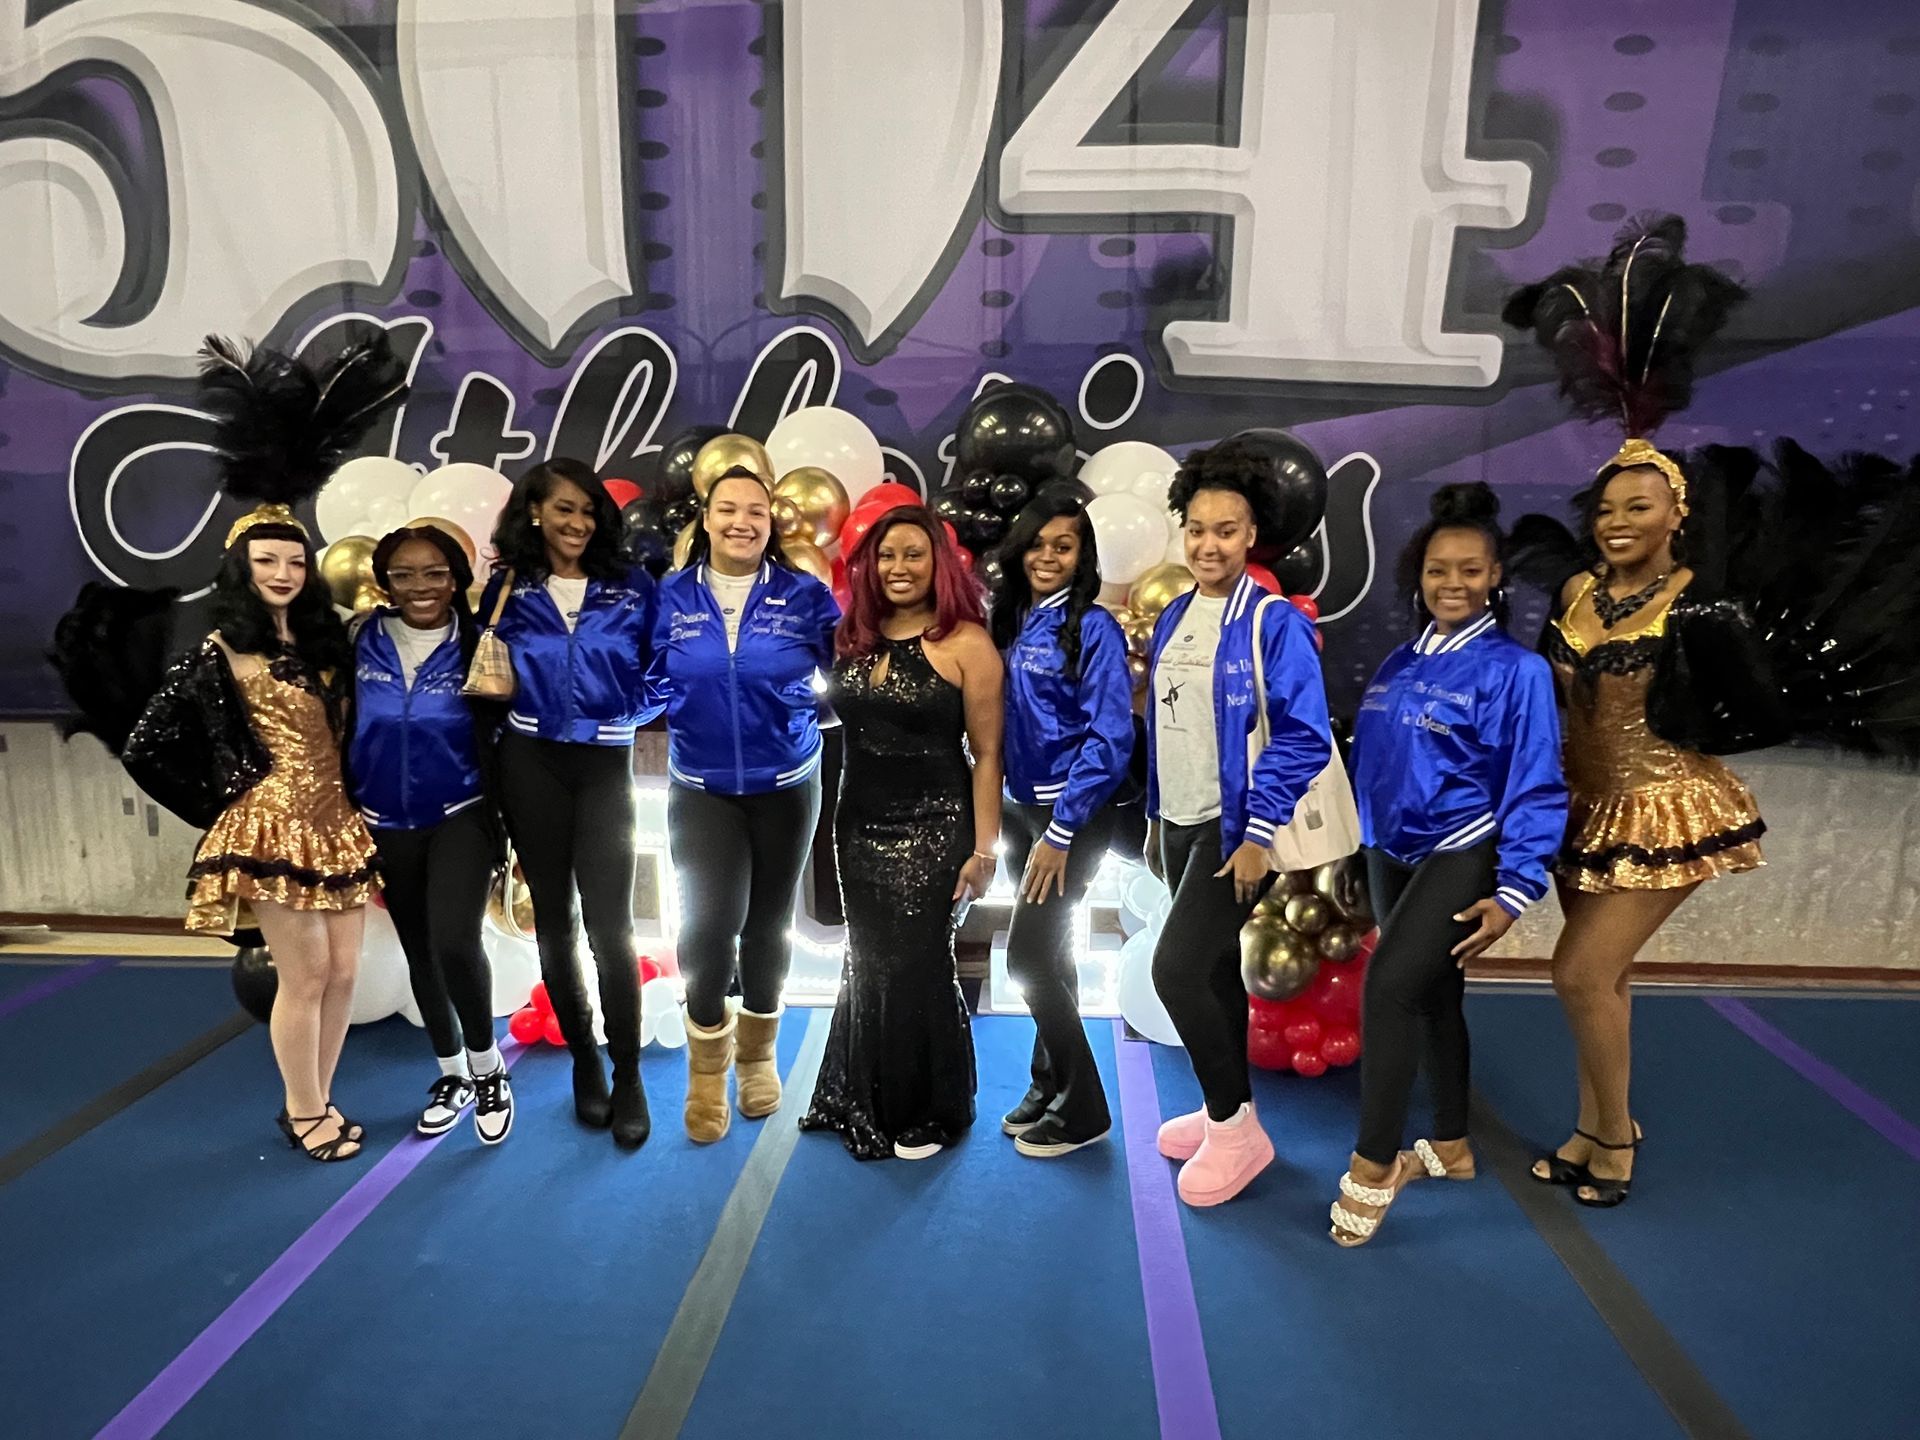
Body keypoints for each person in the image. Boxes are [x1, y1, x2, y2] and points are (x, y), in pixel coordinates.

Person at [54, 334, 408, 1163]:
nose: (283, 571)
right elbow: (144, 745)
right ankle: (303, 1110)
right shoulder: (222, 655)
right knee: (307, 975)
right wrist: (230, 804)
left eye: (293, 559)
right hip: (273, 828)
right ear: (240, 569)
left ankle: (321, 1098)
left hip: (339, 824)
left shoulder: (327, 647)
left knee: (347, 977)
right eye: (266, 561)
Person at [1504, 216, 1761, 1207]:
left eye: (1640, 507)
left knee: (1578, 973)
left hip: (1666, 804)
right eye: (1608, 508)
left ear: (1678, 514)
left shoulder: (1696, 598)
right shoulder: (1575, 595)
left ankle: (1614, 1140)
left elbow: (1732, 697)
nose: (1617, 520)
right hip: (1581, 801)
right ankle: (1596, 1120)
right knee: (1599, 985)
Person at [1328, 484, 1565, 1246]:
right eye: (1437, 571)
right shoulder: (1400, 661)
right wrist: (1355, 842)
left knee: (1389, 989)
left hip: (1464, 847)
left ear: (1496, 576)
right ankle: (1455, 1144)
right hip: (1387, 851)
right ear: (1419, 576)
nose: (1452, 584)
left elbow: (1535, 780)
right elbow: (1374, 763)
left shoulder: (1515, 671)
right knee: (1433, 997)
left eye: (1469, 570)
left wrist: (1516, 887)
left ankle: (1374, 1165)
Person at [1144, 438, 1333, 1207]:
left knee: (1175, 971)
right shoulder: (1176, 615)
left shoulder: (1273, 622)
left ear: (1251, 535)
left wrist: (1257, 834)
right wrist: (1156, 821)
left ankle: (1235, 1131)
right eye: (1195, 528)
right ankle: (1230, 1113)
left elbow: (1302, 733)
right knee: (1216, 975)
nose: (1208, 544)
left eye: (1225, 529)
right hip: (1179, 823)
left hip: (1233, 831)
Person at [801, 506, 1003, 1160]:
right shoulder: (851, 637)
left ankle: (929, 1109)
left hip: (935, 829)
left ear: (938, 564)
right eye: (886, 556)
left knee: (917, 965)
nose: (898, 568)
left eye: (913, 554)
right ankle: (864, 1095)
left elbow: (989, 754)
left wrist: (983, 850)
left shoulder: (968, 643)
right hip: (856, 825)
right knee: (868, 964)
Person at [649, 465, 838, 1143]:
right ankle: (706, 1074)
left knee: (767, 926)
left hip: (787, 784)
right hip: (701, 788)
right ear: (705, 518)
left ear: (771, 522)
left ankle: (757, 1060)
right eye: (727, 509)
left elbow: (846, 674)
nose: (742, 522)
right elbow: (643, 683)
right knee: (705, 929)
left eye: (755, 511)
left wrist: (806, 708)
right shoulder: (668, 597)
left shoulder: (806, 595)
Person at [482, 459, 659, 1149]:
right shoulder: (506, 589)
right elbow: (482, 681)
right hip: (531, 762)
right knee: (554, 922)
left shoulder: (630, 585)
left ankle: (629, 1072)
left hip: (604, 764)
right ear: (534, 512)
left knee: (613, 928)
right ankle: (584, 1058)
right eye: (564, 509)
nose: (578, 523)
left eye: (588, 511)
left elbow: (663, 667)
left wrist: (622, 712)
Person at [349, 525, 512, 1145]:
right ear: (384, 582)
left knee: (453, 939)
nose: (421, 587)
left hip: (459, 813)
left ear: (457, 578)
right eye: (405, 575)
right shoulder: (358, 641)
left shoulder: (480, 642)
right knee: (418, 947)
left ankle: (487, 1068)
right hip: (384, 821)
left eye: (435, 573)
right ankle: (452, 1075)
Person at [988, 490, 1133, 1157]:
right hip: (1021, 809)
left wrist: (1063, 829)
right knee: (1053, 954)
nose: (1047, 556)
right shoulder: (1011, 618)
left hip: (1067, 817)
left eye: (1063, 545)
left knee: (1025, 957)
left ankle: (1086, 1109)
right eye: (1038, 544)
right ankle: (1048, 1085)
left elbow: (1110, 736)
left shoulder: (1093, 627)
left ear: (1083, 556)